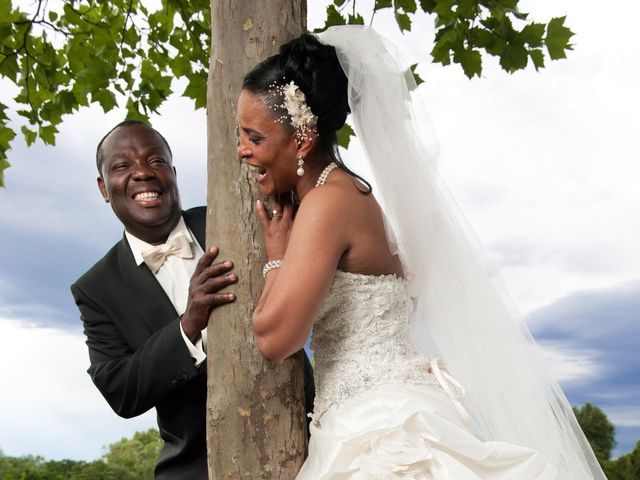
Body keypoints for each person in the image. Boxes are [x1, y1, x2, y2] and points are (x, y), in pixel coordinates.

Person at [236, 27, 607, 479]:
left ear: (302, 139)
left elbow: (275, 338)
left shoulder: (326, 204)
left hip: (379, 430)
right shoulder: (342, 194)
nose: (241, 150)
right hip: (382, 415)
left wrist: (277, 254)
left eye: (254, 138)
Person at [71, 120, 315, 479]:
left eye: (156, 161)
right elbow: (120, 390)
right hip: (197, 468)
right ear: (103, 188)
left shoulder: (237, 218)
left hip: (306, 440)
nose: (142, 173)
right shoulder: (96, 288)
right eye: (122, 166)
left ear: (172, 173)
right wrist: (187, 326)